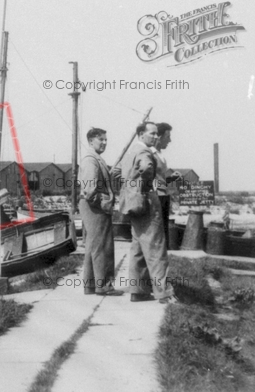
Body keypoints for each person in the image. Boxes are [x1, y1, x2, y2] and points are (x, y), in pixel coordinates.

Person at [112, 122, 176, 304]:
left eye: (157, 134)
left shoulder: (129, 151)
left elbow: (119, 174)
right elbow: (147, 169)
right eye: (152, 134)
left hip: (132, 203)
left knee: (138, 248)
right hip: (147, 201)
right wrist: (145, 184)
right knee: (156, 247)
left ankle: (138, 291)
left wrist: (131, 186)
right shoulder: (145, 152)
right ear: (141, 134)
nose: (156, 137)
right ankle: (164, 294)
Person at [78, 128, 123, 296]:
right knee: (102, 246)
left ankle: (91, 286)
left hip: (92, 204)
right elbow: (90, 190)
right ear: (91, 141)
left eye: (105, 140)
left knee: (92, 246)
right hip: (95, 206)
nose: (104, 143)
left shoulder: (96, 159)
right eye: (101, 140)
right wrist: (103, 204)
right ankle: (103, 286)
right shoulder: (90, 160)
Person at [153, 123, 181, 248]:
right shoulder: (149, 154)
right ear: (158, 137)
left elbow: (159, 180)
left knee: (163, 236)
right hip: (155, 198)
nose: (170, 140)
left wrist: (170, 179)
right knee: (156, 236)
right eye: (167, 136)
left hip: (163, 197)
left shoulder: (160, 155)